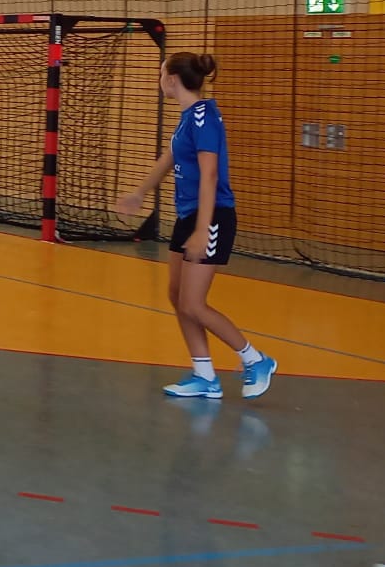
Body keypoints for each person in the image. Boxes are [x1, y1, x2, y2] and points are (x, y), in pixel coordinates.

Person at [118, 52, 277, 402]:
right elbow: (169, 158)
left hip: (212, 215)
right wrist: (139, 192)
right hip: (189, 215)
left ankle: (255, 359)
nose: (159, 80)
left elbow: (209, 174)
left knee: (193, 303)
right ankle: (204, 375)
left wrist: (203, 229)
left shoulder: (204, 117)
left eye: (161, 73)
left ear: (172, 79)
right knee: (177, 296)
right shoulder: (188, 118)